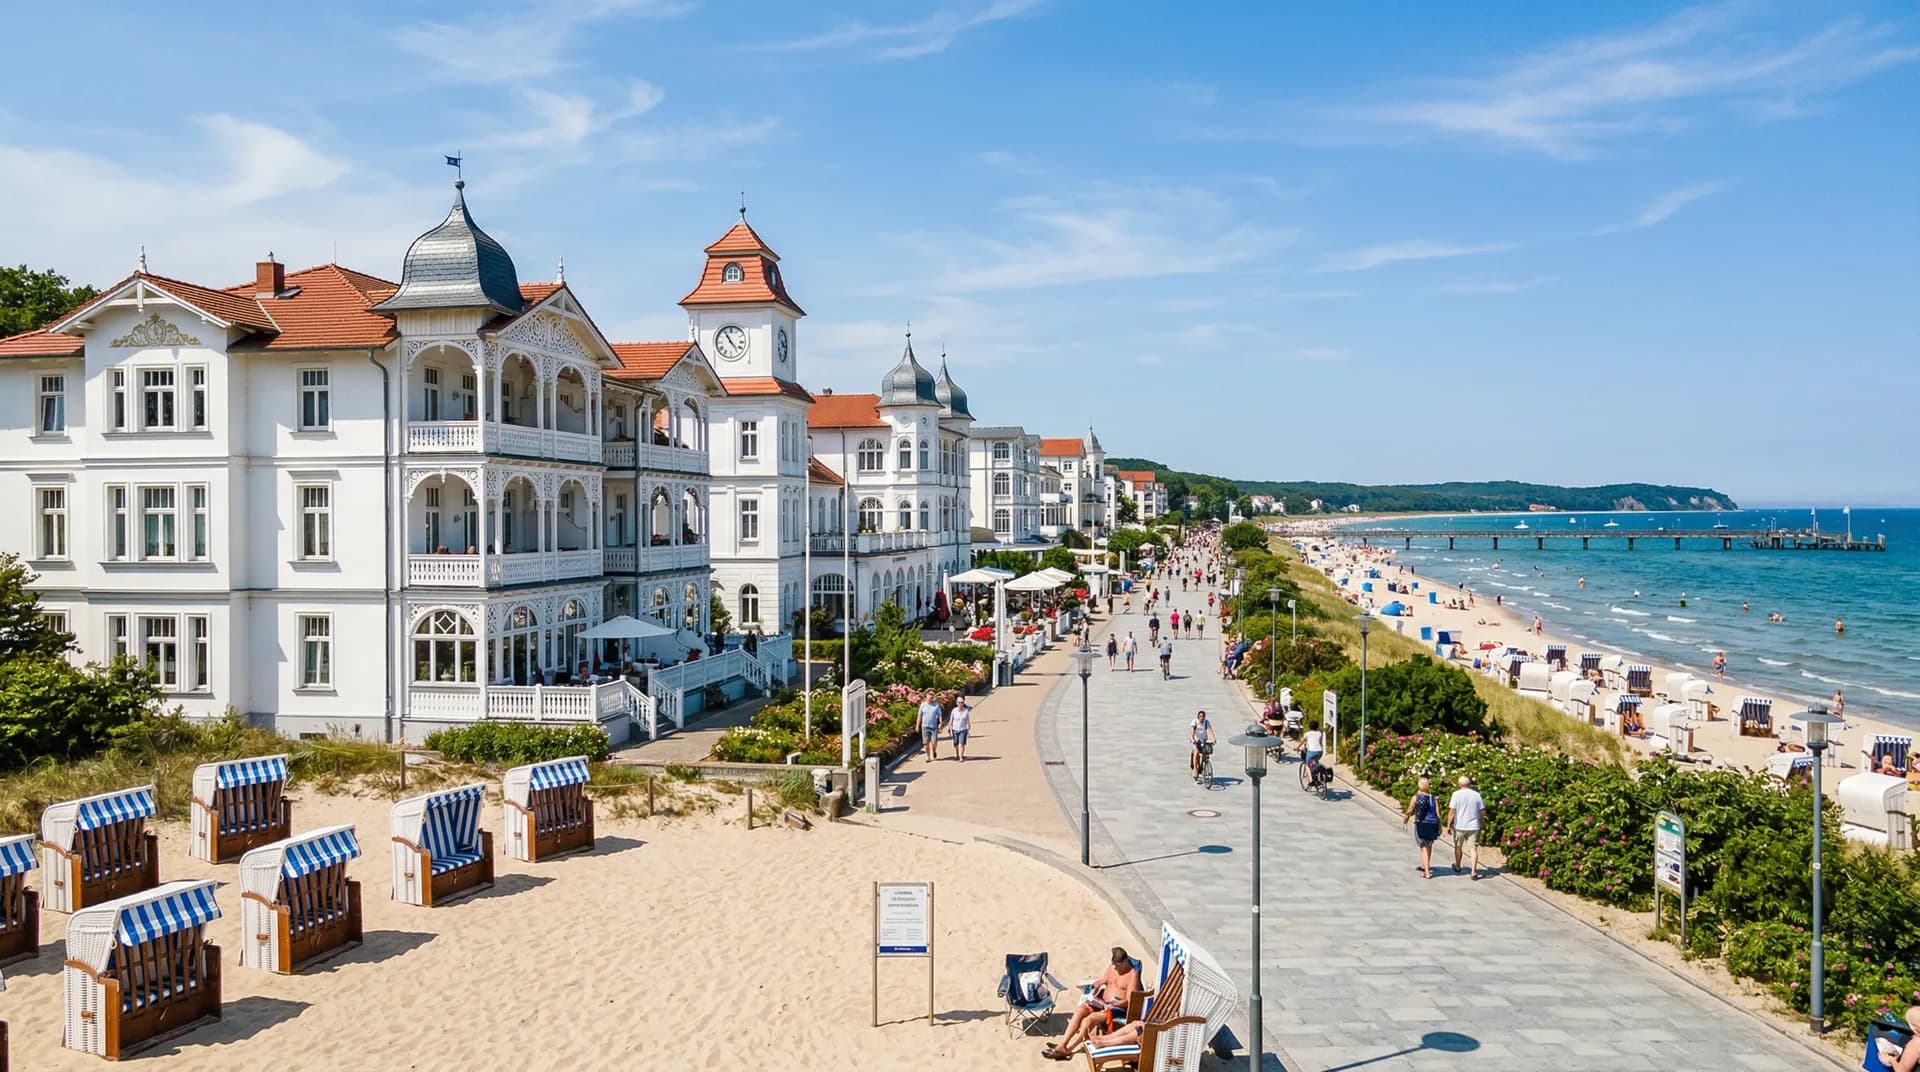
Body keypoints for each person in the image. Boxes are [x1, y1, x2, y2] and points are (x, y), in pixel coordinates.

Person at [1040, 947, 1141, 1060]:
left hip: (1115, 1008)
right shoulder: (1112, 968)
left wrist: (1115, 1003)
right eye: (1113, 965)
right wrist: (1095, 985)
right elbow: (1102, 980)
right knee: (1080, 1010)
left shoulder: (1132, 976)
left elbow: (1129, 1001)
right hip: (1101, 1002)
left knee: (1089, 1019)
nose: (1115, 968)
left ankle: (1068, 1049)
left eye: (1117, 966)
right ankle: (1063, 1043)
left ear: (1125, 961)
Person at [1446, 774, 1488, 879]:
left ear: (1459, 784)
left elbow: (1452, 811)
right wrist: (1481, 821)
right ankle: (1473, 871)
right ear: (1469, 784)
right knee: (1473, 849)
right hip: (1473, 826)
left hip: (1460, 825)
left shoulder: (1456, 794)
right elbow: (1482, 811)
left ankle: (1458, 865)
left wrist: (1448, 825)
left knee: (1458, 846)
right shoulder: (1476, 795)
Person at [1403, 776, 1441, 879]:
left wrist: (1405, 821)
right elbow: (1438, 814)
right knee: (1429, 846)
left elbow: (1409, 811)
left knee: (1423, 847)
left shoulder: (1416, 797)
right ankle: (1426, 865)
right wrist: (1440, 826)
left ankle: (1427, 872)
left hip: (1421, 823)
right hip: (1433, 824)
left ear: (1419, 785)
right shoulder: (1433, 798)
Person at [917, 694, 944, 761]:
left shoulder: (936, 705)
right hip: (925, 727)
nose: (930, 699)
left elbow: (940, 715)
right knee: (926, 743)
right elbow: (919, 716)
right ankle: (928, 757)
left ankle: (934, 751)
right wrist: (917, 725)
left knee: (934, 742)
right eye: (929, 697)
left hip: (934, 727)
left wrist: (940, 723)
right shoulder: (923, 705)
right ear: (926, 698)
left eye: (932, 698)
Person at [1189, 710, 1215, 777]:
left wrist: (1213, 739)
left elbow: (1210, 731)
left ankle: (1203, 766)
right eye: (1200, 716)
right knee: (1196, 752)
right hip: (1196, 741)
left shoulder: (1206, 722)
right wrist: (1192, 739)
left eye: (1203, 716)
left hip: (1203, 740)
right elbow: (1192, 731)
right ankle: (1195, 769)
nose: (1202, 718)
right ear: (1198, 717)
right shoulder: (1195, 722)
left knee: (1206, 752)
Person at [948, 697, 972, 762]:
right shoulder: (954, 711)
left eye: (962, 702)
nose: (960, 704)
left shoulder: (966, 711)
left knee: (961, 744)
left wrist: (968, 730)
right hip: (955, 729)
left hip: (963, 729)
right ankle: (957, 754)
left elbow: (968, 721)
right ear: (956, 703)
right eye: (959, 702)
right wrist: (950, 730)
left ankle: (961, 757)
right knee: (955, 744)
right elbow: (951, 721)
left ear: (964, 703)